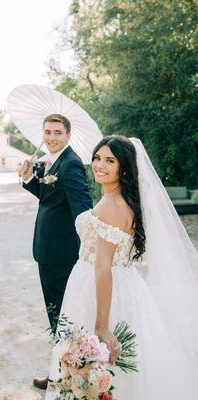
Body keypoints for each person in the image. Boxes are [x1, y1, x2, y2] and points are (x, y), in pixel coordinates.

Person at [45, 136, 198, 400]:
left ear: (123, 167)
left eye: (109, 160)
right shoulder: (115, 198)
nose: (99, 165)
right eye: (97, 158)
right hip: (112, 284)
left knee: (105, 367)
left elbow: (103, 266)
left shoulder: (114, 205)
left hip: (104, 290)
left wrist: (102, 326)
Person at [20, 114, 93, 390]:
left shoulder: (71, 163)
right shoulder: (55, 161)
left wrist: (88, 250)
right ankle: (60, 371)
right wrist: (29, 180)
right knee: (58, 316)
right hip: (48, 253)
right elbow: (51, 199)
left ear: (68, 136)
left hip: (62, 256)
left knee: (63, 317)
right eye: (47, 132)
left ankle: (66, 376)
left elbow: (82, 209)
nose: (51, 137)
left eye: (57, 133)